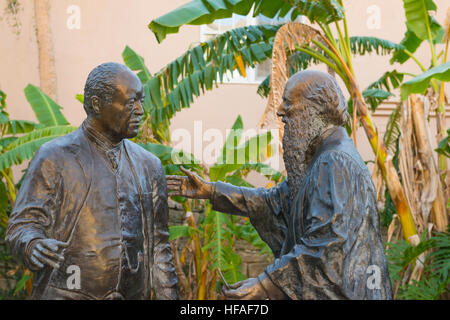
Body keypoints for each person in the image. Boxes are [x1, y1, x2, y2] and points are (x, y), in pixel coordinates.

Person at [167, 70, 393, 300]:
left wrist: (265, 285)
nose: (280, 111)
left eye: (288, 105)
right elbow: (274, 202)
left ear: (314, 109)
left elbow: (327, 245)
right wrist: (212, 191)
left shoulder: (334, 161)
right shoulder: (322, 159)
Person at [6, 62, 179, 300]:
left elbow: (159, 247)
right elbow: (22, 225)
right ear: (98, 104)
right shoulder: (55, 157)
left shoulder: (149, 166)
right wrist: (32, 244)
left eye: (141, 101)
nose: (140, 110)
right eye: (130, 102)